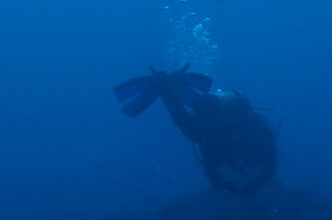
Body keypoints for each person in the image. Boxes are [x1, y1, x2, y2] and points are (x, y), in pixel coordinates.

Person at [115, 65, 278, 194]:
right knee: (199, 112)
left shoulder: (212, 138)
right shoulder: (251, 135)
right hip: (220, 125)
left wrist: (166, 92)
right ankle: (176, 87)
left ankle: (174, 87)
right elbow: (180, 118)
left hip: (216, 126)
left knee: (199, 112)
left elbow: (179, 118)